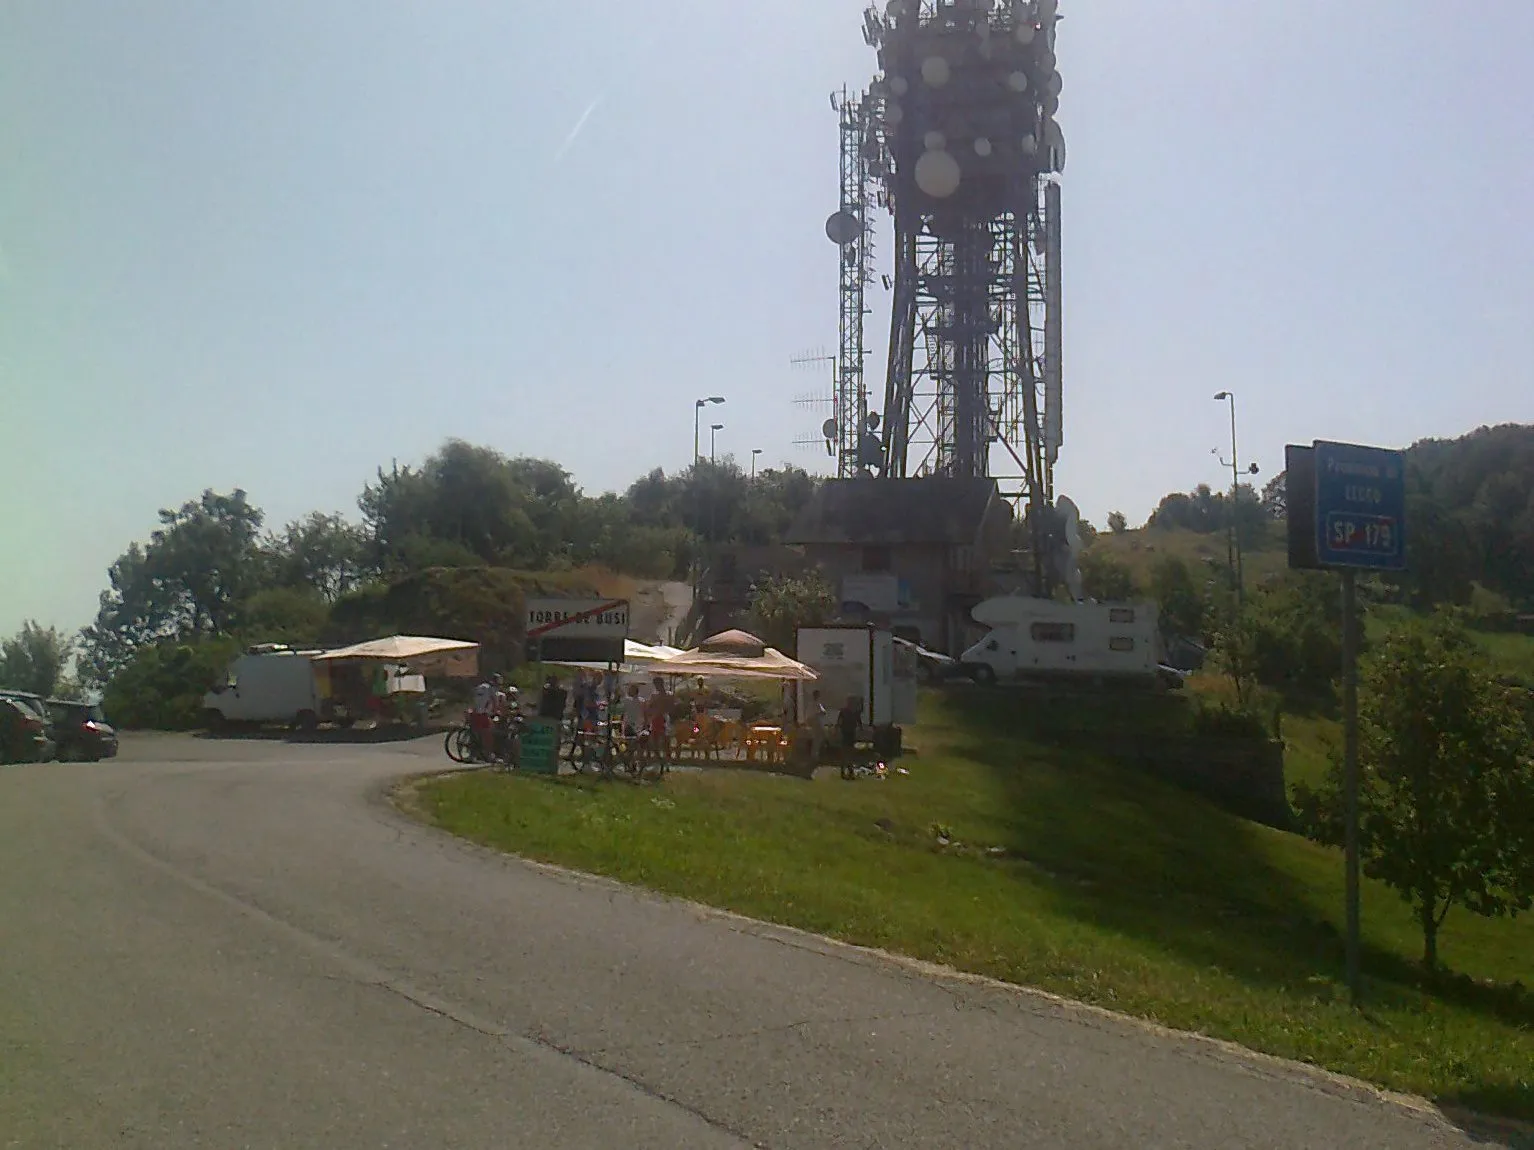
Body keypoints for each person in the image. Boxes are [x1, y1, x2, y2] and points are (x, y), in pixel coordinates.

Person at [807, 688, 828, 764]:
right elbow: (821, 712)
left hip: (816, 723)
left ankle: (816, 755)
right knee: (817, 740)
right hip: (816, 723)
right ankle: (814, 756)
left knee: (818, 740)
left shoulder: (815, 704)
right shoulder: (815, 704)